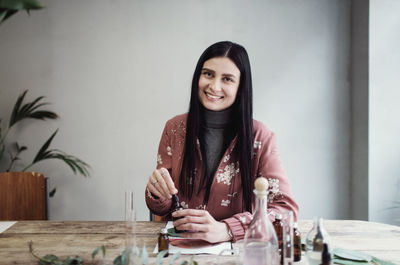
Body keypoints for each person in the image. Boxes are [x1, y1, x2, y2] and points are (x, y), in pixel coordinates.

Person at [145, 41, 298, 243]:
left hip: (238, 251)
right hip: (180, 247)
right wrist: (156, 194)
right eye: (208, 74)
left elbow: (286, 212)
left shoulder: (260, 136)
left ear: (241, 87)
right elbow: (161, 206)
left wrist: (227, 229)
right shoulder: (174, 128)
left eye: (227, 79)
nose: (214, 86)